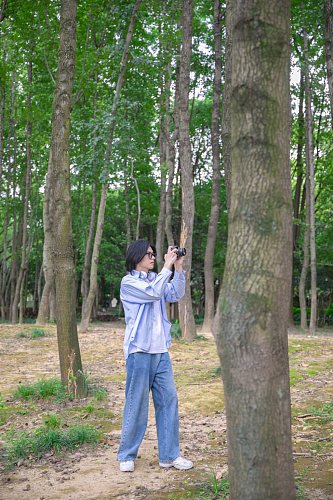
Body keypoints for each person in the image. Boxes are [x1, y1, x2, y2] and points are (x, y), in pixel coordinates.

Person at [117, 239, 193, 473]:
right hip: (139, 351)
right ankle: (127, 454)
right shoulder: (128, 282)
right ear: (136, 256)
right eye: (149, 254)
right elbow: (153, 293)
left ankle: (169, 455)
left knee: (168, 402)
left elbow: (175, 293)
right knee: (136, 404)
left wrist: (177, 267)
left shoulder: (155, 279)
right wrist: (166, 267)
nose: (153, 257)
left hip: (161, 352)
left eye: (154, 254)